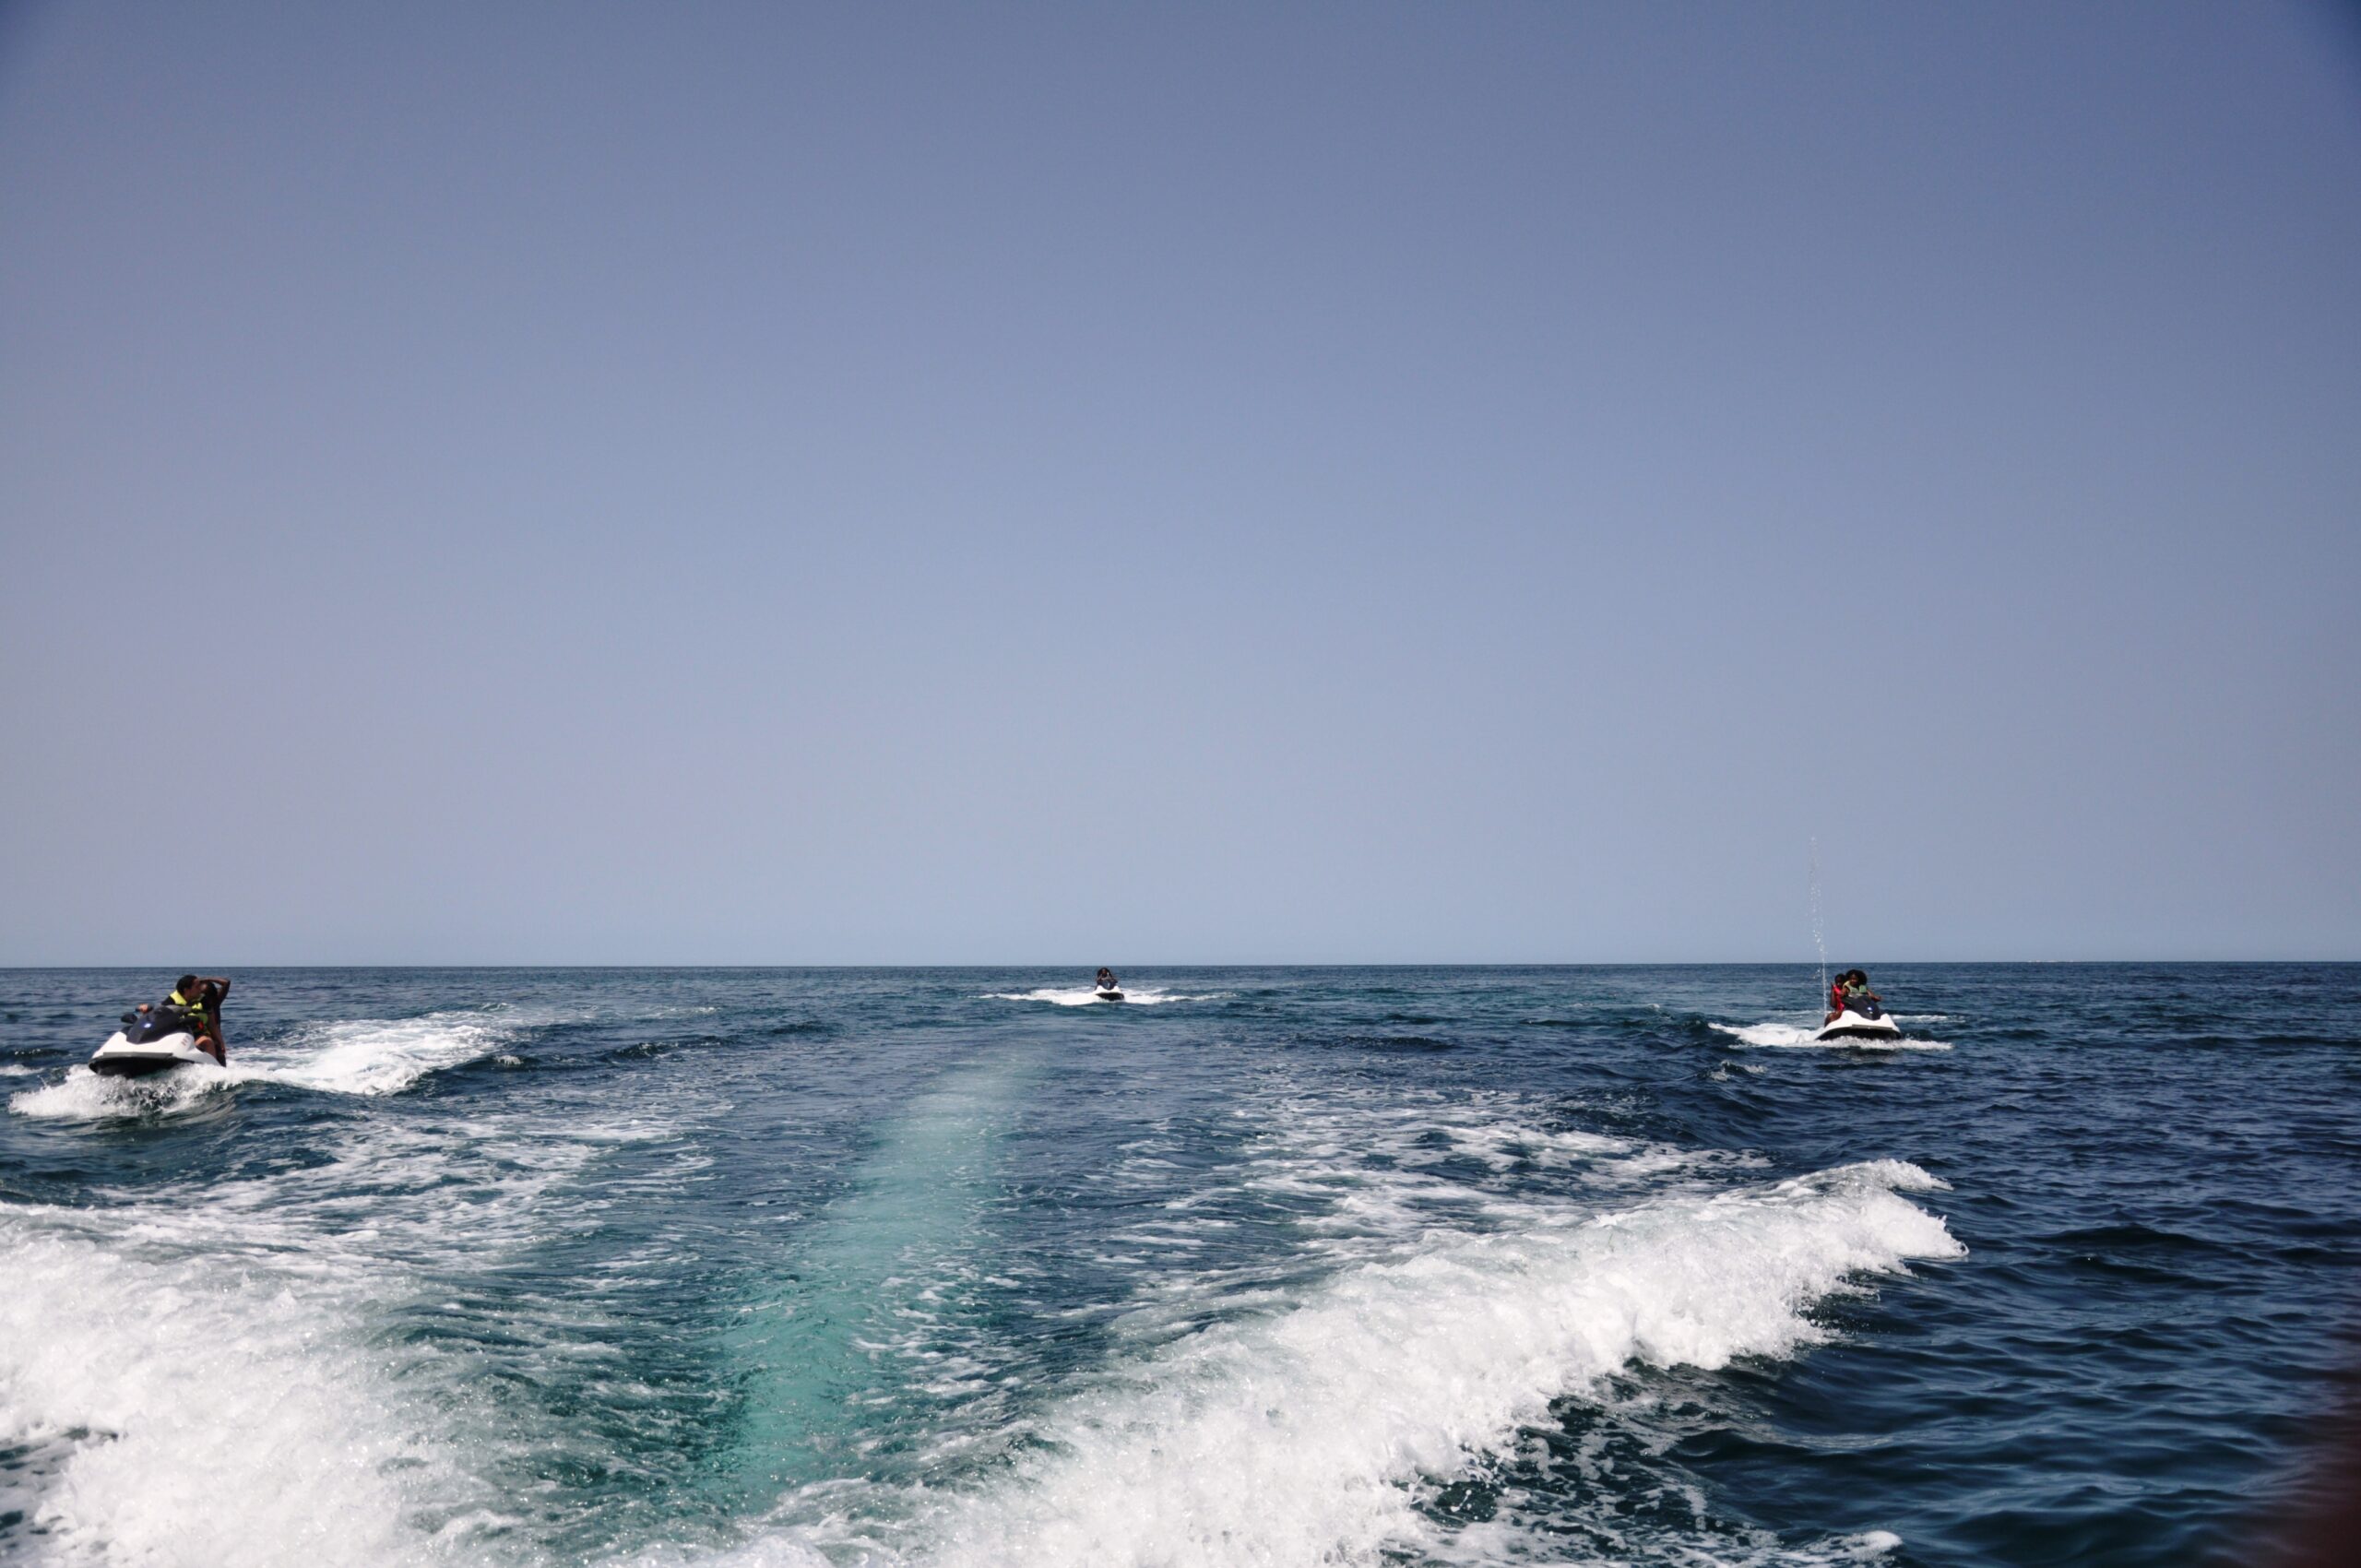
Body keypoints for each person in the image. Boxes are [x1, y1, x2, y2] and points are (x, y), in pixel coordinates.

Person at [167, 973, 231, 1064]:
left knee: (213, 1046)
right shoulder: (173, 1001)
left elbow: (213, 1025)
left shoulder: (213, 1002)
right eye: (198, 988)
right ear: (187, 990)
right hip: (185, 1035)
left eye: (206, 994)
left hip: (205, 1034)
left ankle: (214, 1068)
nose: (201, 993)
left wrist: (221, 1042)